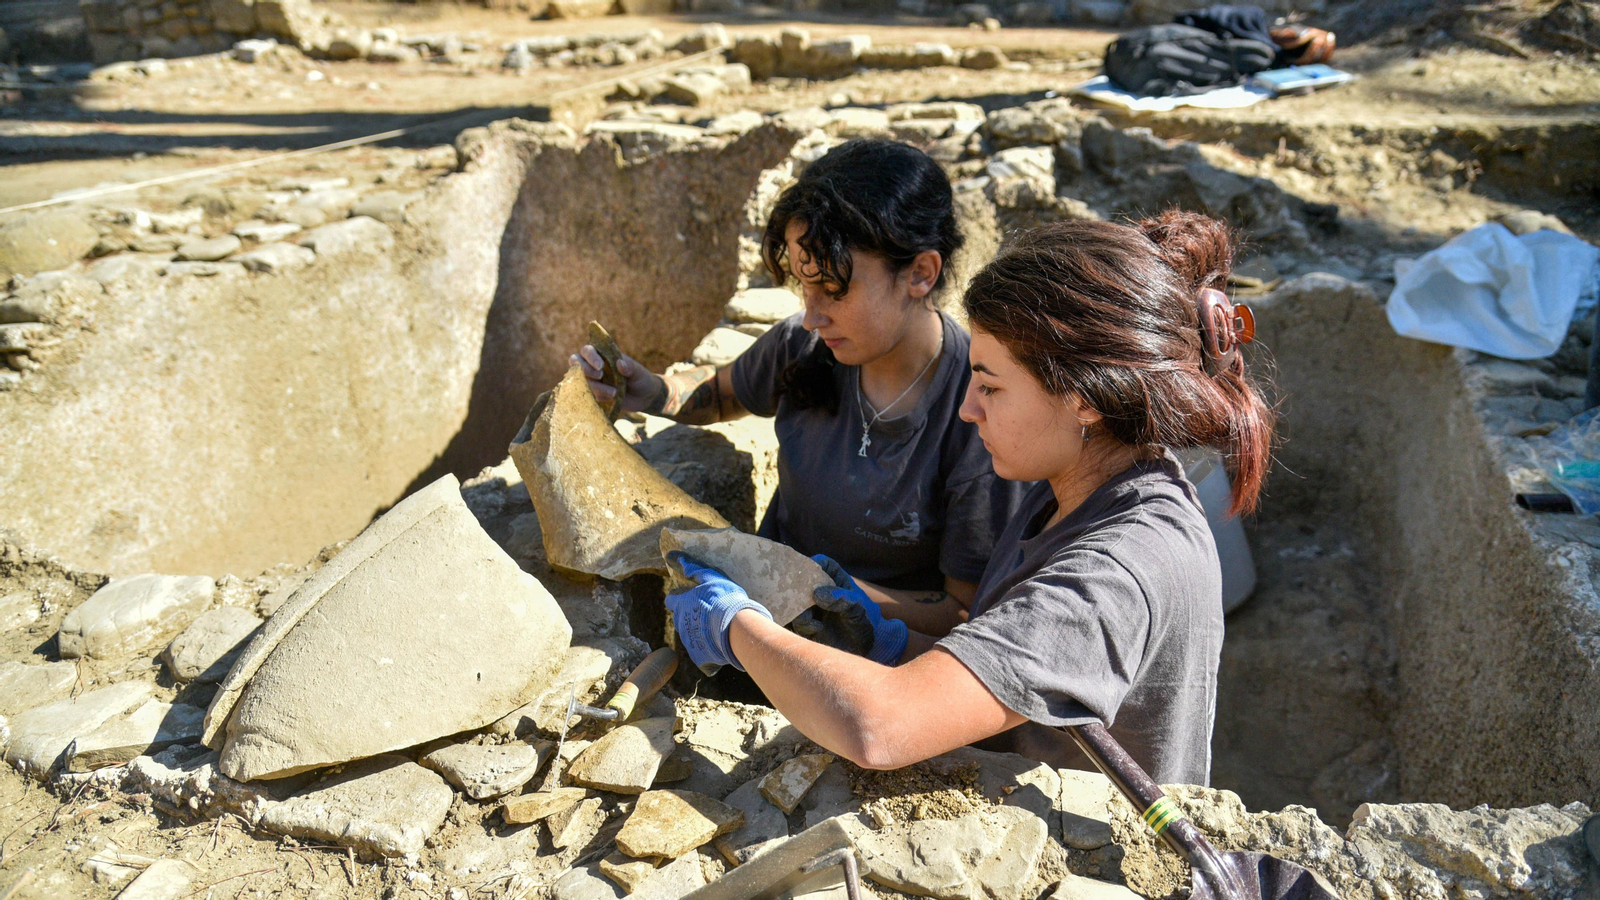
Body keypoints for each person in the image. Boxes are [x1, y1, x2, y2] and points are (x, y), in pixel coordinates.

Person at [664, 211, 1275, 784]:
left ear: (1086, 398)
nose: (967, 407)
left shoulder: (1113, 571)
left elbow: (878, 727)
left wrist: (736, 626)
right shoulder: (1073, 486)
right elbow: (1005, 673)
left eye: (989, 385)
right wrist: (891, 640)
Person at [572, 139, 1028, 658]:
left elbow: (961, 614)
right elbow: (719, 395)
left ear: (920, 273)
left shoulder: (976, 419)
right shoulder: (804, 347)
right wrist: (648, 390)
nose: (812, 315)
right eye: (803, 288)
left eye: (833, 290)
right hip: (763, 629)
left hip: (867, 666)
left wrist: (825, 589)